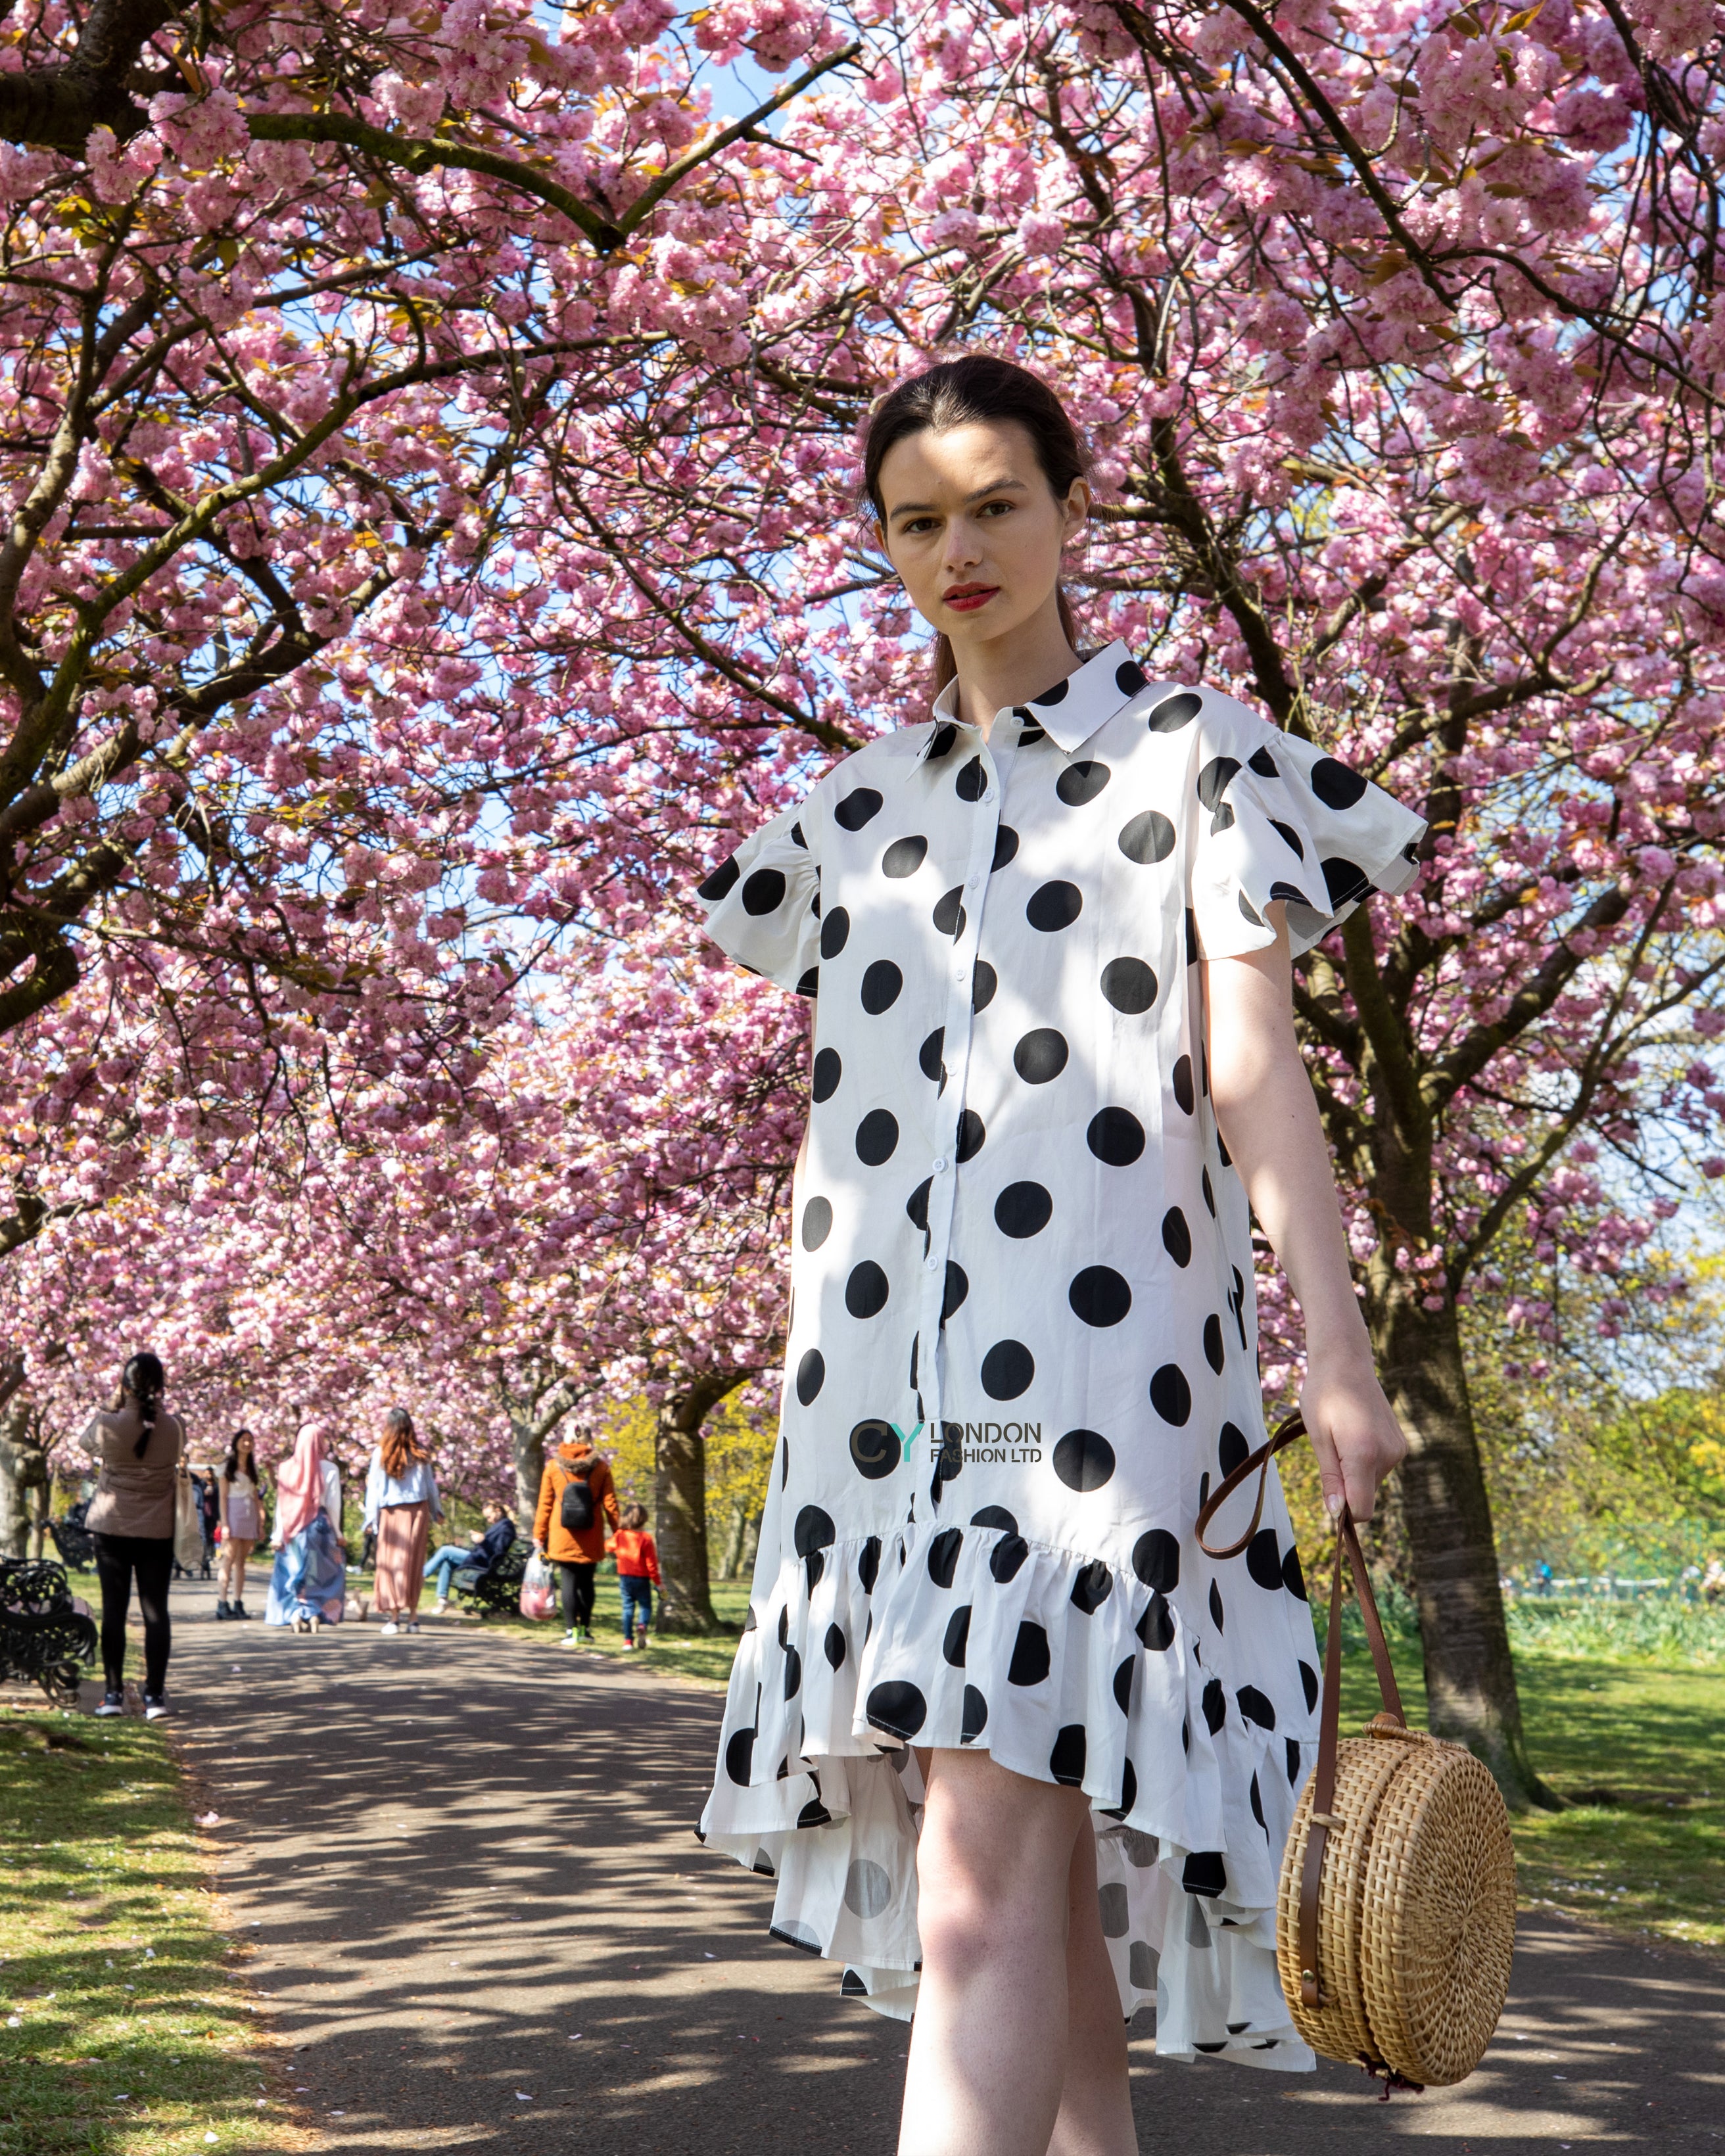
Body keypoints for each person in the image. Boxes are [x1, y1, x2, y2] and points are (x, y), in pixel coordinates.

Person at [688, 355, 1421, 2153]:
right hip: (876, 1408)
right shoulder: (849, 814)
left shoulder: (1191, 753)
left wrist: (1335, 1349)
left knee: (987, 1857)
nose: (961, 547)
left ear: (1076, 510)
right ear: (882, 545)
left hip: (1101, 1391)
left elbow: (1252, 1071)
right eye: (916, 520)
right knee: (1020, 1844)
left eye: (997, 503)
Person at [81, 1352, 186, 1720]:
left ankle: (111, 1695)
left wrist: (115, 1405)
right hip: (157, 1529)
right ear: (160, 1387)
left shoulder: (107, 1423)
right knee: (156, 1611)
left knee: (114, 1610)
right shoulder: (174, 1427)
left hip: (112, 1527)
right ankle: (155, 1697)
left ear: (125, 1385)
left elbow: (86, 1444)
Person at [532, 1434, 619, 1646]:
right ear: (589, 1443)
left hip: (563, 1534)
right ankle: (586, 1630)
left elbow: (545, 1504)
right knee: (587, 1584)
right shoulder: (601, 1468)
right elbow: (611, 1504)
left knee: (569, 1583)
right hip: (591, 1534)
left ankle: (570, 1632)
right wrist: (618, 1533)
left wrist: (539, 1534)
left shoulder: (553, 1467)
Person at [364, 1407, 442, 1635]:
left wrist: (371, 1518)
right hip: (418, 1512)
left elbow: (375, 1490)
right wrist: (437, 1512)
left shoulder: (381, 1454)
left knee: (392, 1564)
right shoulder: (420, 1454)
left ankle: (395, 1618)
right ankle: (414, 1618)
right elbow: (430, 1487)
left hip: (392, 1513)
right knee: (414, 1564)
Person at [266, 1422, 346, 1632]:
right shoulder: (330, 1469)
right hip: (319, 1527)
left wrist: (277, 1534)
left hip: (292, 1529)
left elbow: (281, 1505)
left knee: (292, 1571)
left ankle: (294, 1613)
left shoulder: (286, 1468)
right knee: (318, 1573)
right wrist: (338, 1532)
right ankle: (314, 1613)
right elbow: (333, 1505)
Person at [425, 1500, 516, 1610]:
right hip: (478, 1557)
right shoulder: (500, 1525)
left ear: (498, 1511)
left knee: (445, 1551)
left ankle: (422, 1575)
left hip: (484, 1561)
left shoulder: (507, 1527)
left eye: (489, 1516)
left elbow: (498, 1552)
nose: (488, 1520)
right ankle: (442, 1600)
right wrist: (480, 1541)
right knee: (447, 1562)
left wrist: (483, 1541)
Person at [215, 1429, 264, 1620]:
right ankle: (222, 1602)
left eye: (250, 1440)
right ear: (236, 1442)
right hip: (233, 1513)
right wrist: (225, 1523)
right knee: (228, 1559)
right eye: (243, 1440)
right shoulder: (227, 1467)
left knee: (241, 1563)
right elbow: (223, 1497)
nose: (247, 1443)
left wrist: (260, 1522)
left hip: (248, 1513)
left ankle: (238, 1602)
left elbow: (255, 1496)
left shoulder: (253, 1468)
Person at [607, 1503, 661, 1648]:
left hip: (625, 1578)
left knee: (627, 1608)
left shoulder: (620, 1535)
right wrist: (658, 1582)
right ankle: (642, 1625)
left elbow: (608, 1547)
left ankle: (627, 1641)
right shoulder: (646, 1538)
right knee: (645, 1606)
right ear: (644, 1518)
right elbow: (652, 1564)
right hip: (642, 1579)